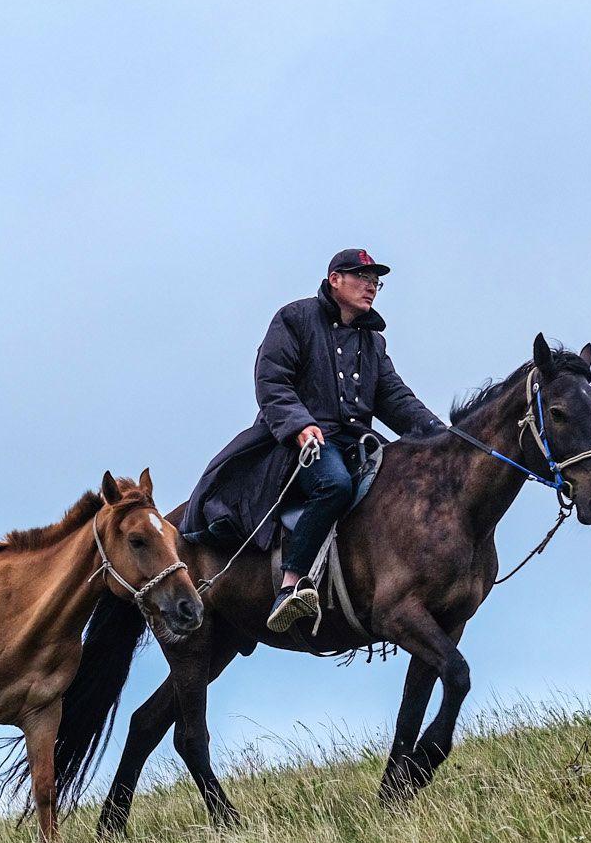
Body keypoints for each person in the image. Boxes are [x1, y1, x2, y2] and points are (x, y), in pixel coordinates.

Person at [177, 248, 447, 635]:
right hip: (294, 445)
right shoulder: (295, 318)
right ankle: (290, 588)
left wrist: (441, 436)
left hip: (353, 442)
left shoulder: (373, 343)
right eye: (362, 277)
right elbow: (272, 381)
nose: (371, 286)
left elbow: (396, 399)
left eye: (376, 281)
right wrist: (300, 425)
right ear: (335, 279)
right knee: (334, 484)